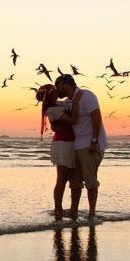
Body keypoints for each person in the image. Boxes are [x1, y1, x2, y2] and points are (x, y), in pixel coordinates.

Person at [51, 74, 107, 220]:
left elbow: (97, 117)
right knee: (75, 181)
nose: (57, 90)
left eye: (58, 87)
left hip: (90, 144)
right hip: (76, 145)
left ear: (65, 84)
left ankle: (91, 213)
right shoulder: (69, 101)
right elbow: (52, 107)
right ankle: (73, 211)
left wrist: (94, 141)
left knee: (90, 180)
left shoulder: (86, 96)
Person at [36, 84, 82, 219]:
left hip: (71, 143)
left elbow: (69, 104)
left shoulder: (59, 105)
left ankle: (73, 210)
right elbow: (73, 120)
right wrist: (78, 102)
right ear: (51, 94)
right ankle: (58, 209)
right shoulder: (53, 110)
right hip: (63, 145)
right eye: (55, 90)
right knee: (62, 179)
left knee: (75, 179)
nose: (58, 90)